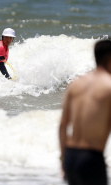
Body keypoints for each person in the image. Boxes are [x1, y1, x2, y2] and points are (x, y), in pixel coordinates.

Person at [59, 40, 111, 185]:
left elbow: (63, 125)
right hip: (91, 158)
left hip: (71, 157)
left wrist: (63, 159)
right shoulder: (108, 86)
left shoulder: (76, 84)